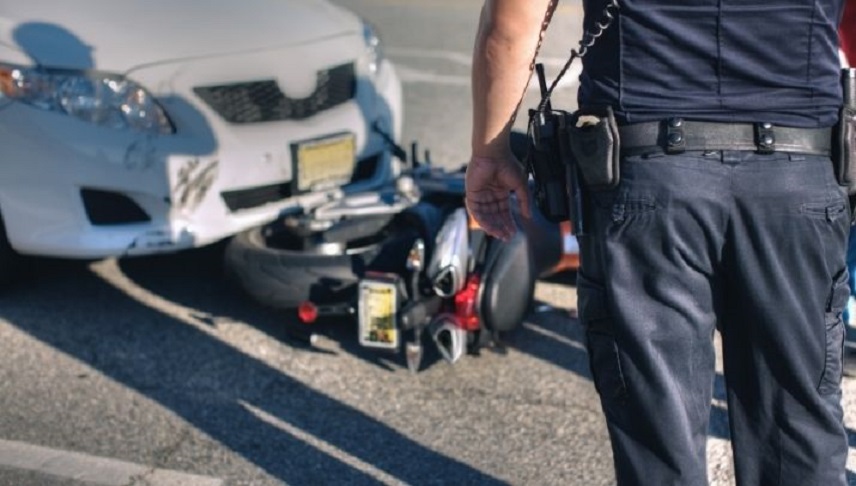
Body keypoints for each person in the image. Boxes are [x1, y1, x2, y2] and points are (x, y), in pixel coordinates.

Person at [466, 0, 850, 485]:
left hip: (650, 178)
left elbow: (510, 24)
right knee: (799, 434)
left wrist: (489, 151)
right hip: (797, 177)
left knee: (656, 434)